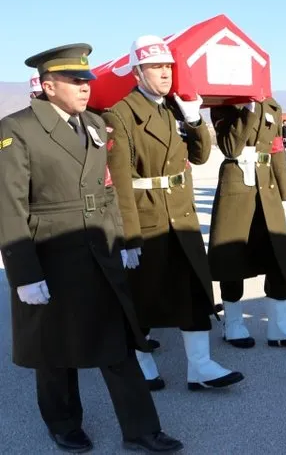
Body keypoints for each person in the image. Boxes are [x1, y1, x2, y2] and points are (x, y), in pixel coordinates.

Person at [0, 43, 182, 453]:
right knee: (54, 347)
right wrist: (24, 275)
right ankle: (63, 422)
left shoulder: (96, 125)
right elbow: (9, 206)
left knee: (116, 340)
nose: (85, 87)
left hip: (97, 248)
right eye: (74, 80)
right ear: (48, 86)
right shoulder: (18, 129)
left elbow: (108, 192)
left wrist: (121, 240)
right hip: (50, 250)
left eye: (87, 79)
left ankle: (141, 429)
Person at [102, 35, 243, 391]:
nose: (165, 73)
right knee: (143, 294)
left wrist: (194, 118)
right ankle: (140, 359)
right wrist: (128, 236)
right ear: (137, 72)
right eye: (155, 67)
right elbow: (119, 181)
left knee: (194, 290)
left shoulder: (173, 107)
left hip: (180, 214)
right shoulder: (120, 115)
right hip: (148, 216)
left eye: (167, 66)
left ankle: (201, 366)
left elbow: (200, 156)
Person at [208, 100, 286, 349]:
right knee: (232, 255)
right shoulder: (225, 105)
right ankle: (233, 323)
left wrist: (285, 196)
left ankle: (279, 325)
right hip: (236, 185)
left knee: (279, 256)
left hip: (268, 188)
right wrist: (248, 109)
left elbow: (276, 151)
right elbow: (231, 147)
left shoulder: (274, 107)